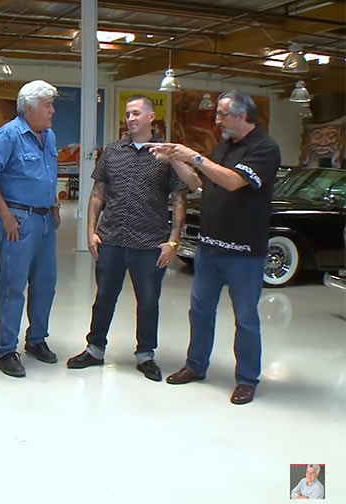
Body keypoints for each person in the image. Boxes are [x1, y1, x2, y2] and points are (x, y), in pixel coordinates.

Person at [146, 90, 281, 405]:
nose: (217, 121)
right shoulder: (224, 146)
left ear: (242, 115)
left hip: (245, 253)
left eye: (222, 115)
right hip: (210, 248)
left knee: (246, 318)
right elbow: (199, 183)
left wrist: (193, 155)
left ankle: (247, 379)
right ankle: (195, 365)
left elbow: (234, 182)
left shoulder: (265, 148)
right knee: (200, 311)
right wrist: (176, 160)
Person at [66, 96, 188, 381]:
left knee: (148, 301)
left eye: (136, 113)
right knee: (104, 298)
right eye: (127, 114)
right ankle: (95, 349)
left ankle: (146, 354)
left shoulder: (165, 155)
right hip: (111, 240)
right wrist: (90, 232)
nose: (130, 118)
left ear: (150, 118)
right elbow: (98, 193)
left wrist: (173, 242)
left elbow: (179, 200)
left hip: (149, 244)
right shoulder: (112, 152)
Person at [0, 80, 61, 377]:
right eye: (47, 105)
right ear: (29, 108)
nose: (52, 111)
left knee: (46, 284)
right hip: (19, 221)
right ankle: (5, 350)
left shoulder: (48, 136)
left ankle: (36, 340)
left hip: (45, 220)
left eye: (52, 105)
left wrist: (54, 206)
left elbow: (48, 174)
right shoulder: (9, 134)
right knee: (13, 287)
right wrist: (5, 214)